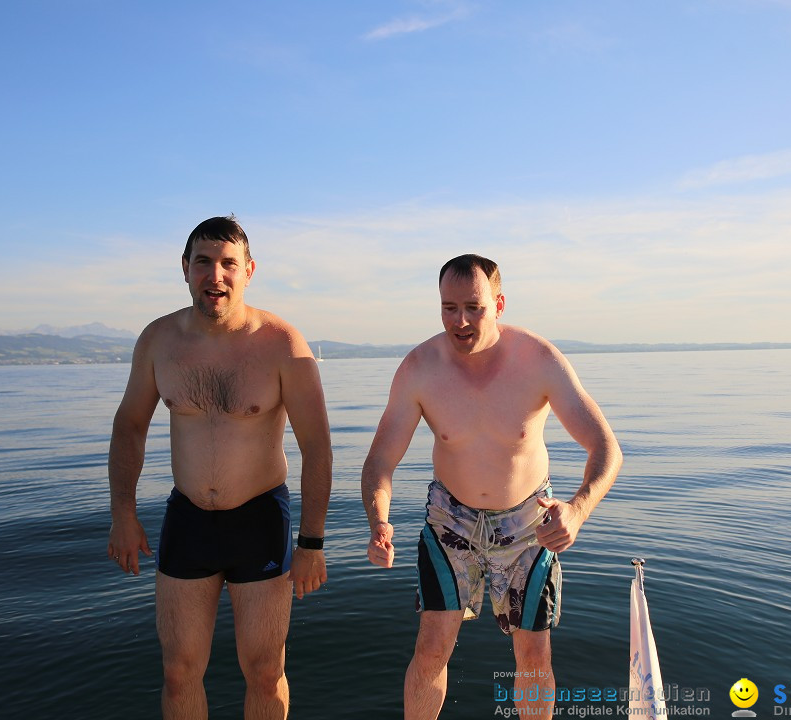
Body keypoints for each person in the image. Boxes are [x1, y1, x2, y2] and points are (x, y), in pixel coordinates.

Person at [361, 254, 622, 720]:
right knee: (431, 649)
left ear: (498, 304)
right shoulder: (420, 368)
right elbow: (381, 459)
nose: (459, 321)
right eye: (448, 308)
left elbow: (605, 446)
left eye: (473, 307)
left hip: (526, 525)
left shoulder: (539, 360)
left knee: (534, 655)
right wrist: (379, 520)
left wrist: (578, 511)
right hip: (450, 523)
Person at [107, 215, 331, 720]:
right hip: (188, 517)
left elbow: (317, 447)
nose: (216, 275)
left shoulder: (282, 344)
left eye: (228, 264)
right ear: (184, 269)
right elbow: (130, 428)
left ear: (248, 270)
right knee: (179, 669)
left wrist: (312, 543)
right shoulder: (158, 341)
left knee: (265, 669)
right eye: (203, 262)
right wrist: (123, 513)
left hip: (259, 518)